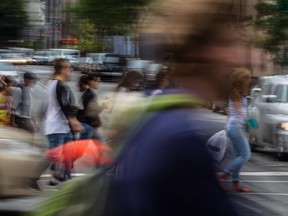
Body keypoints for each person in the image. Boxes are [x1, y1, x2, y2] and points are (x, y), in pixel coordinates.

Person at [104, 0, 245, 215]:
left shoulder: (156, 119)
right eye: (225, 44)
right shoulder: (182, 143)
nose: (235, 57)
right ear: (198, 51)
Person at [41, 58, 83, 185]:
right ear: (63, 70)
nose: (71, 71)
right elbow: (64, 106)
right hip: (57, 127)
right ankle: (37, 176)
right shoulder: (59, 85)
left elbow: (47, 107)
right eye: (70, 68)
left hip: (61, 127)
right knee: (54, 156)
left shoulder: (52, 84)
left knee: (69, 154)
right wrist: (74, 121)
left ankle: (65, 178)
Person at [218, 67, 251, 192]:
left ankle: (236, 183)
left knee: (238, 156)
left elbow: (230, 113)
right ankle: (222, 176)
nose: (249, 80)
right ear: (241, 80)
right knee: (245, 154)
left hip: (234, 126)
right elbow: (239, 111)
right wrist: (248, 121)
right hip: (236, 127)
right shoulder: (236, 94)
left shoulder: (236, 93)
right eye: (247, 78)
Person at [78, 73, 106, 140]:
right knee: (81, 148)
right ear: (91, 82)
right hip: (88, 125)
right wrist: (103, 106)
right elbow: (93, 112)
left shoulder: (88, 93)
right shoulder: (89, 95)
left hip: (89, 126)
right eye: (97, 81)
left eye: (99, 81)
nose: (99, 83)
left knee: (99, 146)